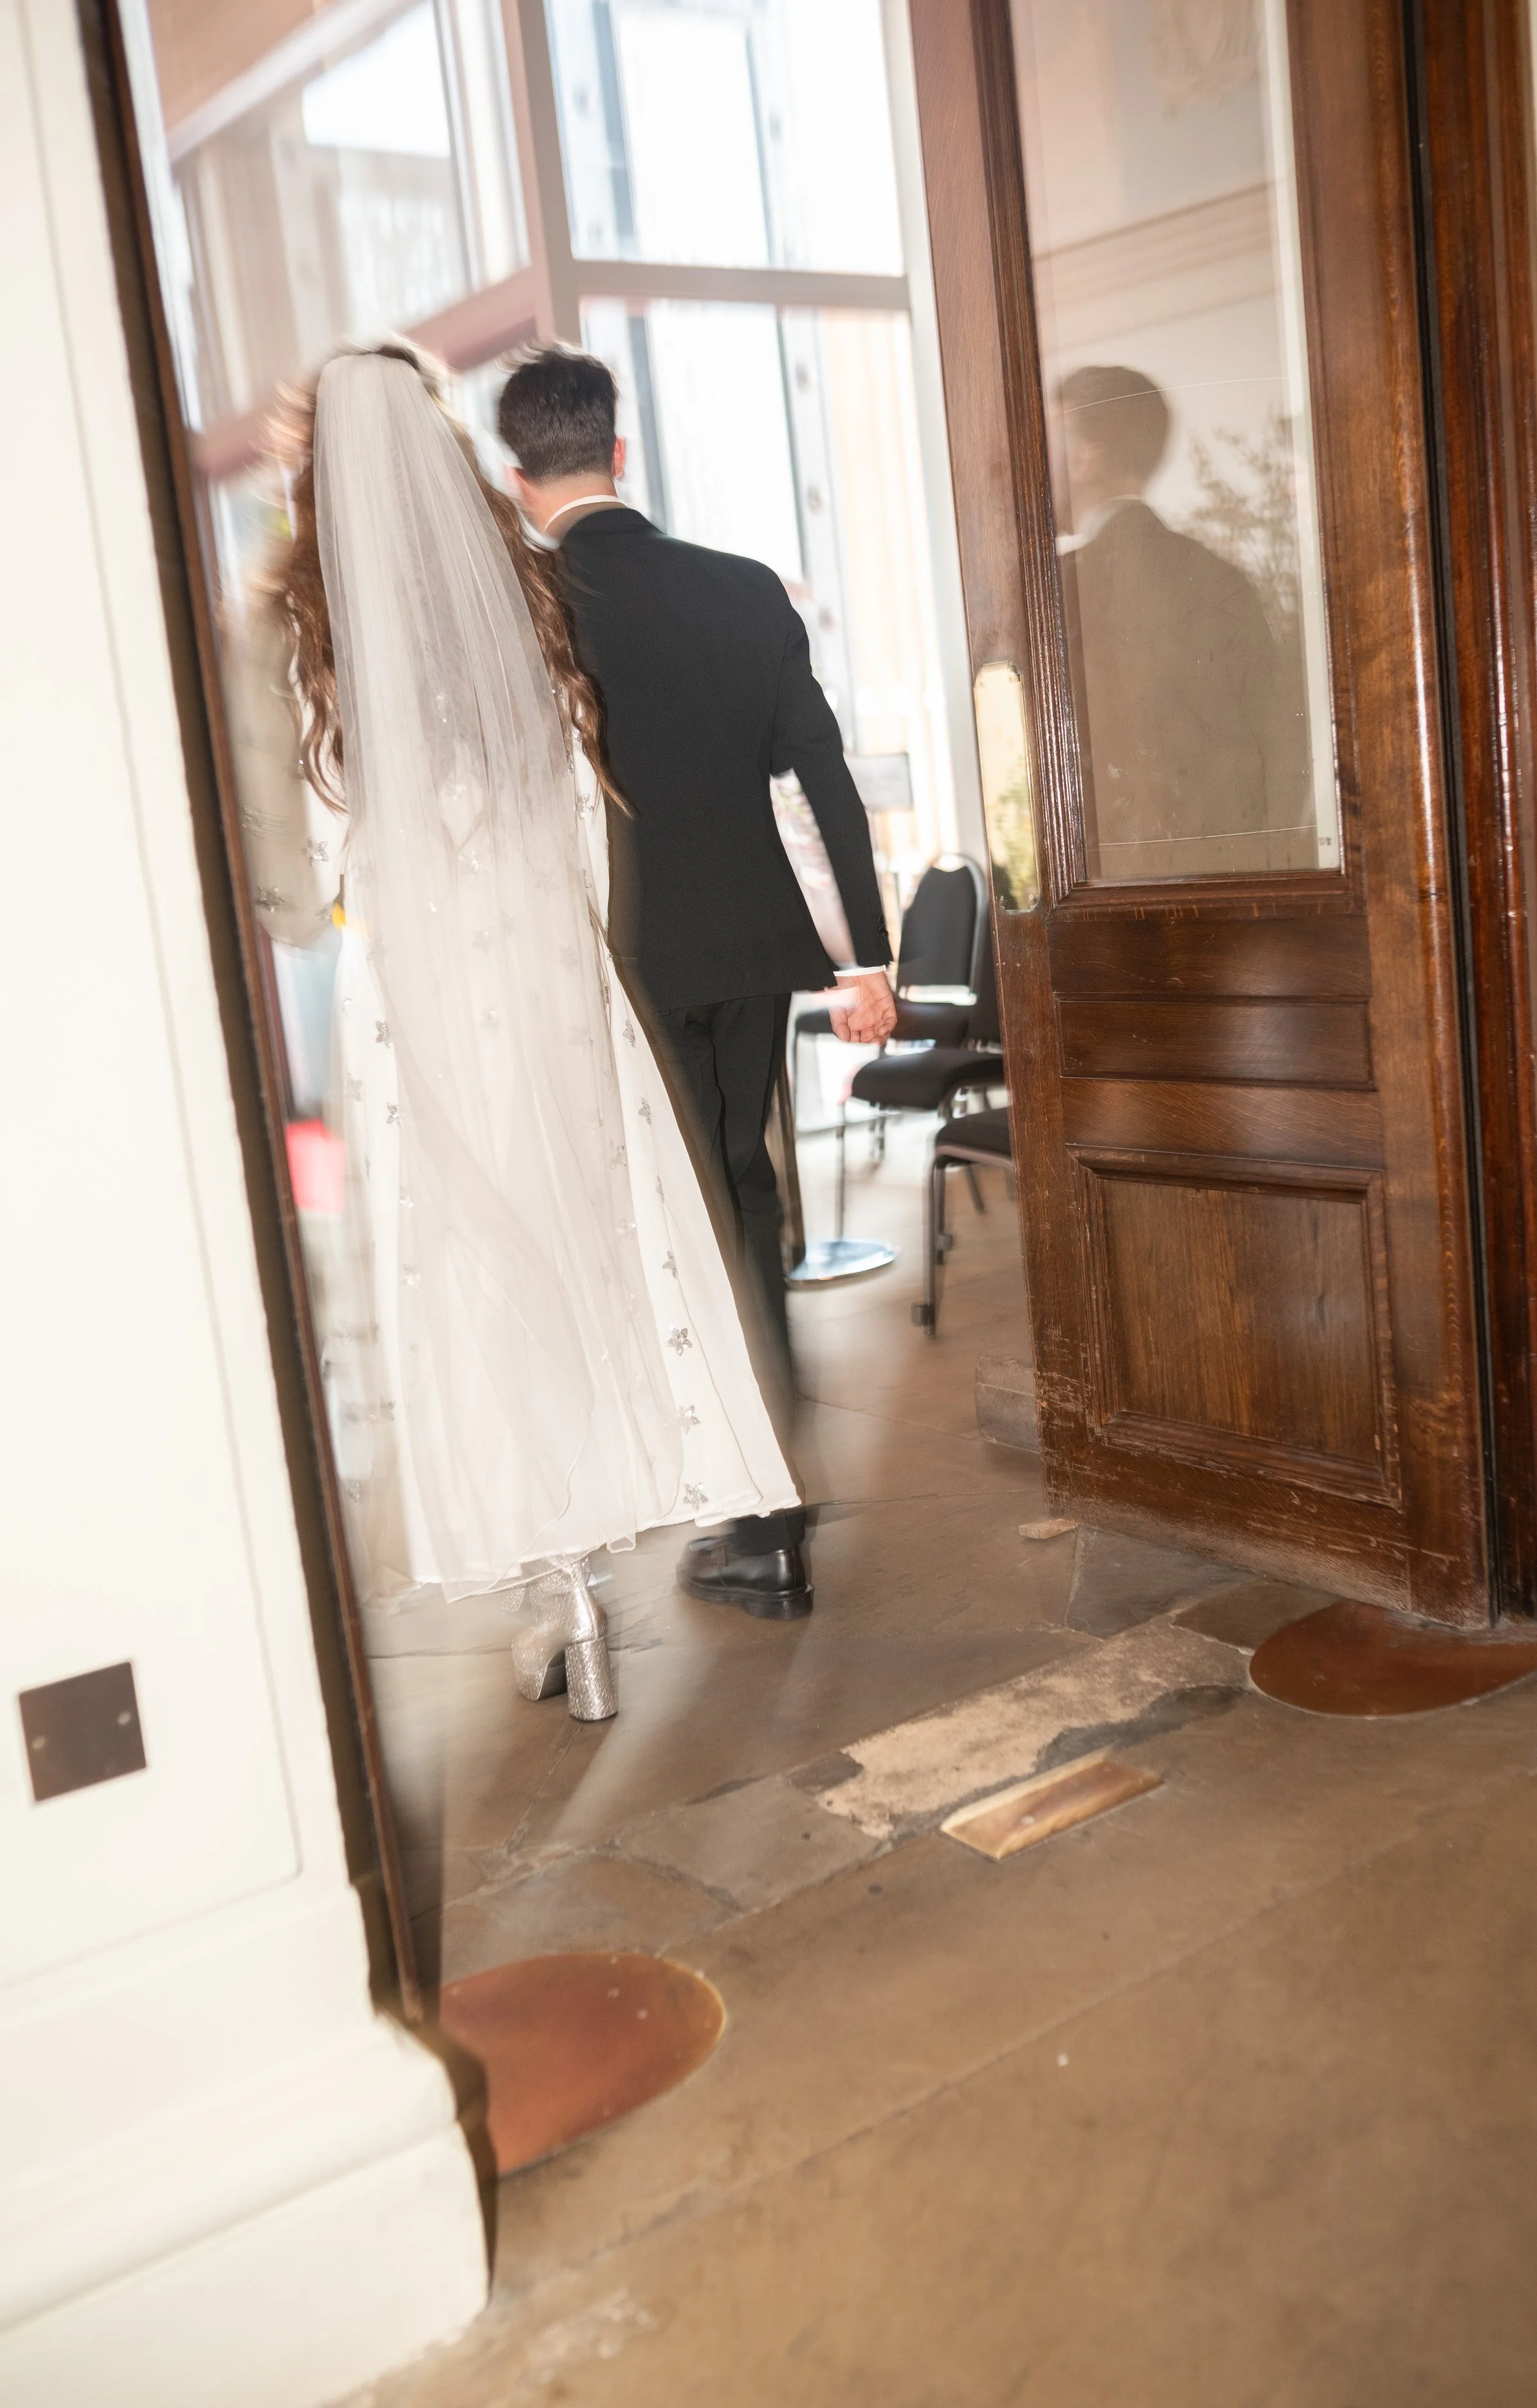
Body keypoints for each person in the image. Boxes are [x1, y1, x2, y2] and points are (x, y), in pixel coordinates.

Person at [246, 344, 799, 1721]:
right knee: (589, 1238)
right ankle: (602, 1551)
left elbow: (315, 871)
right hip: (553, 977)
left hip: (416, 998)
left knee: (472, 1268)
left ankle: (551, 1584)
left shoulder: (307, 643)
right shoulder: (526, 600)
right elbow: (576, 816)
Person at [496, 348, 898, 1622]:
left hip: (616, 962)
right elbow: (820, 775)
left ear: (520, 481)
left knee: (656, 1229)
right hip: (748, 956)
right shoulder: (740, 589)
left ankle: (722, 1500)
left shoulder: (527, 607)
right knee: (743, 1197)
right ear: (618, 453)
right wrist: (868, 957)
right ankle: (765, 1516)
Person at [1057, 364, 1311, 880]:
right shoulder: (1223, 579)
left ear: (1085, 454)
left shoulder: (1059, 594)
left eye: (1049, 440)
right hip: (1232, 885)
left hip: (1110, 895)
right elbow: (1276, 750)